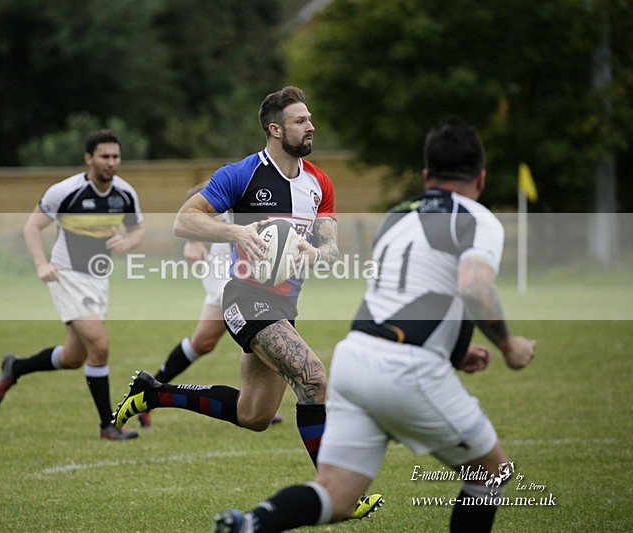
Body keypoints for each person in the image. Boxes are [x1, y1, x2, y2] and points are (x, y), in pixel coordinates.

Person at [213, 116, 537, 532]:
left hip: (356, 358)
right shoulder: (476, 218)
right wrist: (510, 346)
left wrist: (456, 350)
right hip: (408, 368)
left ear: (425, 175)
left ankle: (250, 524)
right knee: (492, 474)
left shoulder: (398, 217)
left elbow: (406, 298)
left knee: (335, 494)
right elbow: (474, 287)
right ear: (481, 177)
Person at [113, 86, 381, 519]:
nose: (310, 126)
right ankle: (338, 496)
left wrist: (317, 253)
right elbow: (185, 220)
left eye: (310, 119)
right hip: (244, 299)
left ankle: (153, 394)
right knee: (312, 377)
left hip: (283, 308)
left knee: (254, 415)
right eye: (300, 120)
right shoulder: (240, 174)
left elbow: (331, 247)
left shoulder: (319, 183)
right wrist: (236, 232)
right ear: (276, 129)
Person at [0, 130, 144, 441]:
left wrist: (127, 241)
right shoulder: (66, 191)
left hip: (98, 278)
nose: (111, 163)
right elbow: (32, 227)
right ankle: (108, 426)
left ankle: (15, 367)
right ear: (88, 158)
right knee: (99, 347)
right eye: (104, 156)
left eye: (115, 156)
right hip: (67, 275)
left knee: (74, 358)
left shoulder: (124, 193)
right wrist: (41, 265)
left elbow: (138, 228)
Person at [135, 185, 282, 428]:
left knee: (201, 343)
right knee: (258, 326)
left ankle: (150, 391)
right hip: (222, 272)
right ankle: (257, 403)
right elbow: (195, 198)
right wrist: (192, 240)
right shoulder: (240, 179)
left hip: (241, 273)